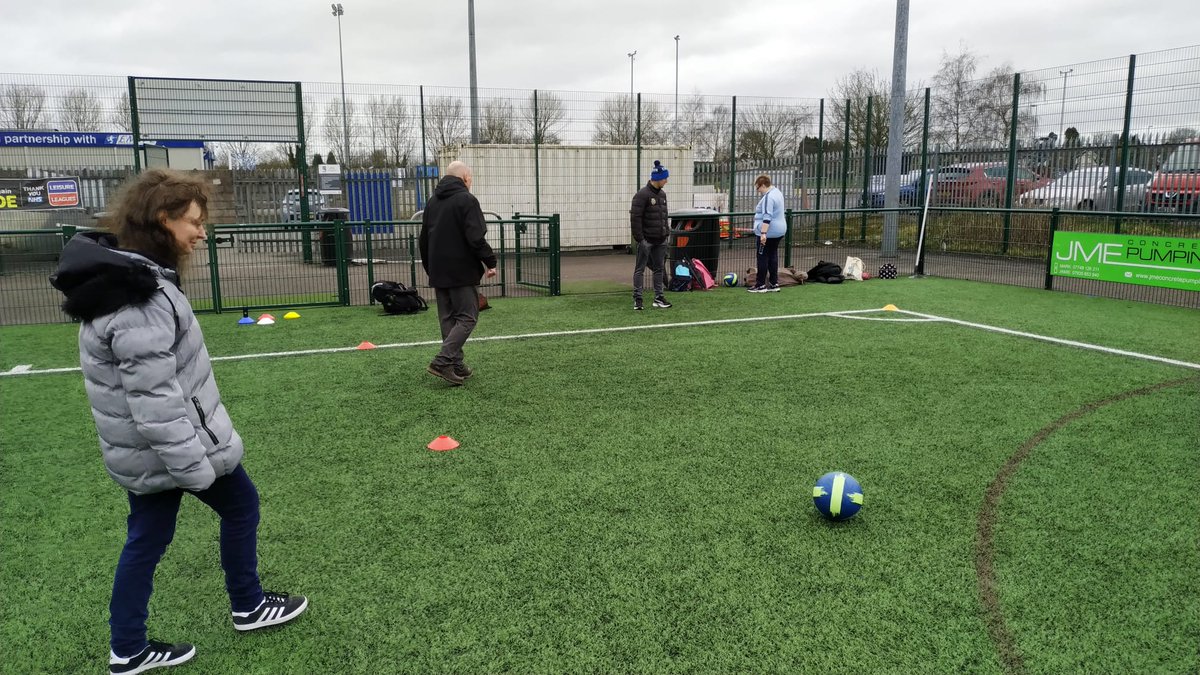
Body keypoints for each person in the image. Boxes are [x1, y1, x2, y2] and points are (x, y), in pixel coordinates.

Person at [49, 169, 307, 675]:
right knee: (238, 506)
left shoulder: (128, 279)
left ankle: (129, 647)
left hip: (149, 453)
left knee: (147, 538)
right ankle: (246, 605)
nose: (201, 233)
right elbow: (155, 401)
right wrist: (194, 467)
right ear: (163, 220)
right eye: (194, 222)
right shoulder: (138, 297)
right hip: (173, 450)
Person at [419, 160, 498, 386]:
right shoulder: (467, 200)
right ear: (465, 178)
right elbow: (475, 237)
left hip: (438, 270)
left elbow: (424, 239)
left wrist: (430, 267)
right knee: (467, 317)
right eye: (470, 178)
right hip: (462, 271)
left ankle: (456, 363)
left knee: (448, 318)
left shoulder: (432, 202)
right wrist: (490, 261)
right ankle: (443, 361)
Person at [630, 160, 673, 310]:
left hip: (660, 240)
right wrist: (640, 239)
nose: (666, 181)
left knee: (659, 269)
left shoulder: (662, 195)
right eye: (665, 178)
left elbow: (664, 216)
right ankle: (638, 299)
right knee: (640, 269)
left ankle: (658, 298)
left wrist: (666, 234)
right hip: (646, 240)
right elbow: (635, 219)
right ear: (657, 178)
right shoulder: (641, 195)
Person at [749, 174, 787, 292]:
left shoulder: (768, 197)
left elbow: (767, 216)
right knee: (773, 255)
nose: (758, 190)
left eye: (758, 187)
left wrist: (763, 233)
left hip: (769, 231)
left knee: (762, 257)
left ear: (763, 185)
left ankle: (760, 285)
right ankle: (774, 283)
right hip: (780, 230)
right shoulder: (777, 192)